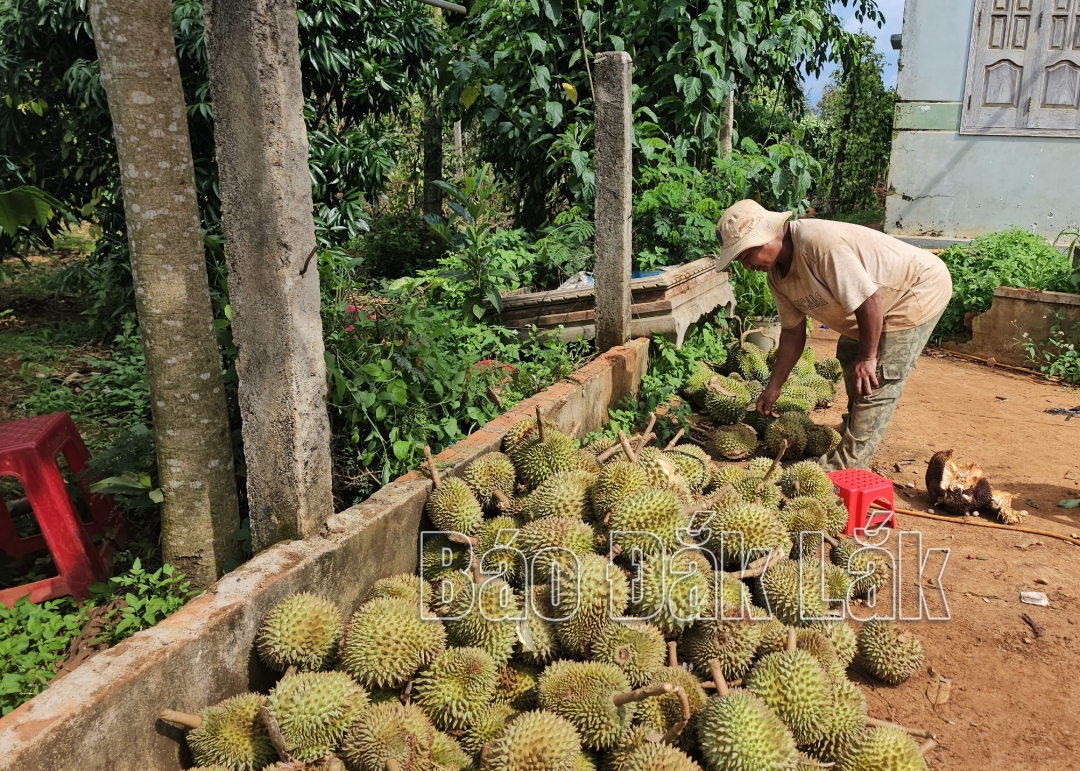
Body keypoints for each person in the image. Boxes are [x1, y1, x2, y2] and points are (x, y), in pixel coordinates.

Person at [713, 199, 953, 470]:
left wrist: (870, 356)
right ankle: (855, 424)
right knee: (849, 353)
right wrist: (774, 386)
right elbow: (793, 333)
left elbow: (870, 301)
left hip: (913, 291)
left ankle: (845, 467)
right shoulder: (777, 277)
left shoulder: (819, 246)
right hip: (869, 305)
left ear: (765, 237)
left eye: (745, 256)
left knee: (878, 378)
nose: (745, 266)